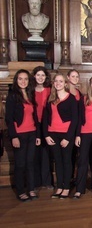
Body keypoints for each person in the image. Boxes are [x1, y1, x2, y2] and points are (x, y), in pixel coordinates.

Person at [5, 69, 41, 201]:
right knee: (20, 164)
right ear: (16, 80)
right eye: (20, 79)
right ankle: (20, 191)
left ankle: (31, 189)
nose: (23, 81)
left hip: (31, 133)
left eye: (25, 79)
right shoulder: (12, 96)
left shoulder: (31, 95)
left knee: (30, 163)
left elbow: (35, 117)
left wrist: (37, 135)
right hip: (19, 135)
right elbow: (9, 119)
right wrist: (13, 136)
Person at [43, 74, 78, 199]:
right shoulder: (50, 98)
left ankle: (66, 187)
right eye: (56, 81)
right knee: (57, 162)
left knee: (66, 161)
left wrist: (68, 138)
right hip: (53, 134)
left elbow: (75, 120)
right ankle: (59, 186)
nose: (58, 83)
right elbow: (45, 119)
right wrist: (46, 135)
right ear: (53, 83)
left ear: (65, 83)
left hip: (66, 134)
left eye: (61, 81)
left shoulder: (71, 98)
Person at [32, 66, 53, 189]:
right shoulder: (30, 90)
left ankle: (47, 181)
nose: (40, 77)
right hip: (34, 124)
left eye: (43, 75)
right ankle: (35, 182)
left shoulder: (49, 90)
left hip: (46, 124)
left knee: (46, 154)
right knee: (35, 154)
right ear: (34, 76)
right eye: (38, 75)